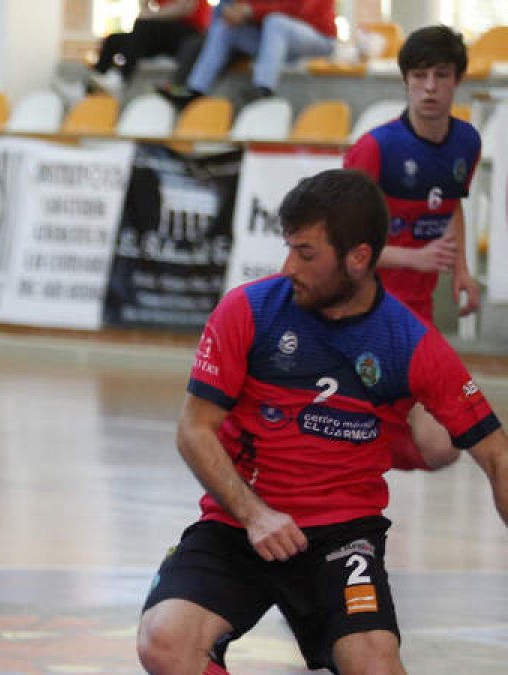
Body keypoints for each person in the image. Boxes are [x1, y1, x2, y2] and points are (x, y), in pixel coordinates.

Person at [135, 168, 508, 674]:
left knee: (374, 664)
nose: (289, 266)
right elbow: (192, 430)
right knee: (165, 641)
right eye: (288, 247)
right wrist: (254, 515)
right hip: (237, 524)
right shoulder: (248, 310)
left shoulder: (409, 342)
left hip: (342, 536)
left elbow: (496, 451)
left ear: (357, 258)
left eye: (306, 254)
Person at [344, 25, 481, 471]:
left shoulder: (466, 142)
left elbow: (452, 206)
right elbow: (343, 245)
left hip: (418, 315)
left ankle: (366, 447)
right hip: (366, 314)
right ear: (404, 80)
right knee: (339, 429)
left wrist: (462, 269)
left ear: (457, 80)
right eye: (420, 75)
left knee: (443, 448)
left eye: (441, 75)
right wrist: (413, 257)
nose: (430, 87)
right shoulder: (375, 148)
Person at [156, 0, 336, 109]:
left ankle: (263, 89)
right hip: (273, 42)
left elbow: (299, 11)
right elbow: (231, 8)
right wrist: (231, 12)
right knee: (225, 27)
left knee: (276, 22)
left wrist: (250, 11)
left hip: (318, 38)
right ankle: (195, 90)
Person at [86, 0, 211, 95]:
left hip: (189, 34)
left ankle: (119, 78)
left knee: (143, 26)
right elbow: (143, 10)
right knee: (113, 39)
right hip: (160, 32)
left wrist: (152, 15)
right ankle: (90, 87)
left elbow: (185, 9)